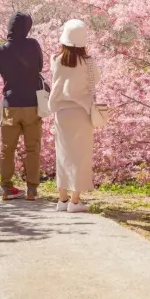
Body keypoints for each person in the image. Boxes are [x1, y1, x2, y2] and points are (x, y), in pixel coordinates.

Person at [0, 12, 44, 201]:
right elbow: (39, 67)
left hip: (10, 104)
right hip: (32, 104)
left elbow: (2, 72)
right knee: (33, 148)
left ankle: (7, 188)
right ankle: (32, 189)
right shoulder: (33, 45)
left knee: (7, 148)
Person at [49, 19, 100, 213]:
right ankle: (75, 201)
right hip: (82, 113)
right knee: (80, 156)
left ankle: (62, 199)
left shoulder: (56, 59)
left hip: (61, 114)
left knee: (62, 155)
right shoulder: (88, 63)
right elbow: (97, 79)